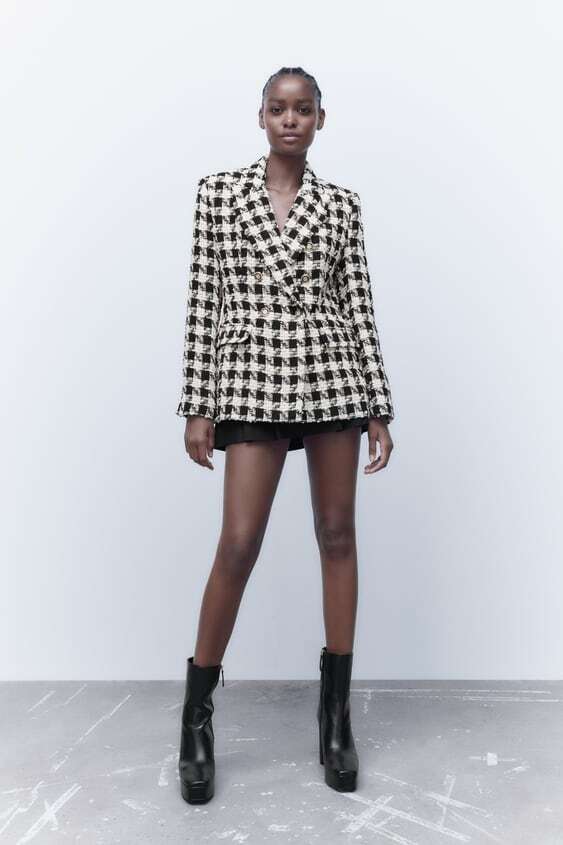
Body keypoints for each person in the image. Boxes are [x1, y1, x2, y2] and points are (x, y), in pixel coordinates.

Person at [175, 66, 395, 804]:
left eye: (303, 109)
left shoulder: (341, 205)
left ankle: (335, 717)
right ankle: (196, 716)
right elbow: (203, 300)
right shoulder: (218, 193)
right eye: (278, 108)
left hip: (330, 372)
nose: (290, 119)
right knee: (239, 542)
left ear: (320, 119)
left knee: (337, 533)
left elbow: (358, 304)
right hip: (250, 374)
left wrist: (377, 405)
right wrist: (198, 404)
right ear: (261, 116)